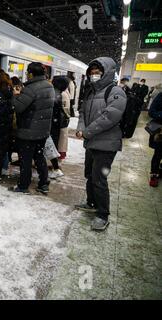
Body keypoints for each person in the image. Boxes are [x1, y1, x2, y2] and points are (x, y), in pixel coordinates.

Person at [75, 57, 127, 231]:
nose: (94, 75)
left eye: (97, 72)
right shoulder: (90, 92)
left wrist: (87, 131)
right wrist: (80, 128)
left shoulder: (115, 91)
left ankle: (103, 214)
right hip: (91, 142)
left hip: (106, 144)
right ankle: (91, 203)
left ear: (107, 73)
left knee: (99, 178)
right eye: (92, 73)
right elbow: (82, 112)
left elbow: (111, 116)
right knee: (90, 174)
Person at [9, 62, 55, 194]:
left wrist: (16, 95)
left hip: (28, 131)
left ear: (30, 73)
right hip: (42, 130)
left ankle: (23, 186)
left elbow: (18, 107)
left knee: (26, 160)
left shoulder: (31, 88)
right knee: (39, 157)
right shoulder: (49, 86)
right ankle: (43, 183)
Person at [49, 76, 70, 179]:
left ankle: (56, 167)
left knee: (55, 145)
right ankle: (56, 166)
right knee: (56, 145)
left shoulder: (60, 94)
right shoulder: (63, 93)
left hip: (57, 124)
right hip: (60, 124)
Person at [148, 92, 162, 187]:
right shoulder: (161, 96)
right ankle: (154, 175)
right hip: (160, 132)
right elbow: (151, 111)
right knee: (158, 154)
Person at [58, 83, 71, 161]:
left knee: (61, 140)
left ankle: (59, 157)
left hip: (61, 120)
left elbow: (65, 108)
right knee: (62, 140)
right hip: (63, 120)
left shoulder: (63, 94)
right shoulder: (65, 93)